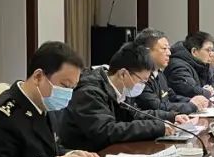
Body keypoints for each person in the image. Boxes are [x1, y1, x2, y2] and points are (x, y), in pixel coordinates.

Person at [57, 41, 187, 151]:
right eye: (142, 80)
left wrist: (171, 117)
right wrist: (157, 128)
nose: (142, 85)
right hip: (86, 156)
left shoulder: (121, 89)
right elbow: (107, 131)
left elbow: (135, 114)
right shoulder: (89, 92)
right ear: (123, 74)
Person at [133, 28, 208, 114]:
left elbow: (170, 96)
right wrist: (190, 106)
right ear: (147, 51)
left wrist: (192, 101)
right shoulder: (139, 76)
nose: (169, 53)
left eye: (168, 48)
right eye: (164, 48)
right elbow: (157, 106)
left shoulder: (158, 73)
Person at [165, 31, 214, 99]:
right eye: (208, 50)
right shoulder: (177, 66)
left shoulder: (204, 64)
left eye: (213, 50)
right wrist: (208, 92)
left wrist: (213, 89)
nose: (212, 54)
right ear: (194, 52)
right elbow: (192, 91)